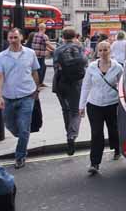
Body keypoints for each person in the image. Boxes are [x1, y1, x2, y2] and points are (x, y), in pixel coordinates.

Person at [0, 28, 41, 169]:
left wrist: (36, 89)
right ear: (7, 39)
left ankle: (20, 156)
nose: (13, 40)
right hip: (8, 97)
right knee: (10, 125)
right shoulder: (1, 57)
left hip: (27, 96)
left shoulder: (30, 53)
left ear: (21, 37)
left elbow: (35, 72)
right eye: (10, 38)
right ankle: (22, 137)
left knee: (24, 129)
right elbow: (0, 77)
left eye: (15, 37)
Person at [79, 41, 123, 175]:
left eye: (106, 50)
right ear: (97, 52)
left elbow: (122, 87)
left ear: (110, 50)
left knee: (113, 129)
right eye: (101, 50)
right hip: (94, 105)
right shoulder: (92, 67)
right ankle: (95, 163)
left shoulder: (118, 67)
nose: (103, 53)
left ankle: (117, 148)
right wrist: (81, 106)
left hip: (112, 104)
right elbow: (86, 86)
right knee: (97, 133)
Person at [53, 27, 88, 156]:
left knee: (65, 110)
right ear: (75, 36)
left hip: (60, 83)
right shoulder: (79, 48)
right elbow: (85, 64)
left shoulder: (58, 50)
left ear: (62, 37)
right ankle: (71, 136)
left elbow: (56, 65)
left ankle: (68, 132)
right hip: (76, 84)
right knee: (75, 112)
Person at [31, 23, 55, 88]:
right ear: (44, 29)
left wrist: (50, 50)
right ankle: (39, 83)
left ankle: (39, 82)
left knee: (39, 69)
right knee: (41, 69)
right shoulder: (44, 36)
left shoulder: (35, 35)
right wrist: (56, 50)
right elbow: (48, 44)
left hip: (34, 55)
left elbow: (43, 45)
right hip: (41, 56)